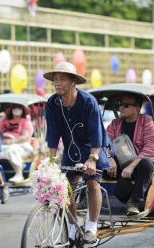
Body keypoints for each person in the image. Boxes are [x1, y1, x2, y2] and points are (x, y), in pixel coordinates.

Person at [44, 62, 110, 243]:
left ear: (73, 81)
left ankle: (91, 226)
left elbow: (97, 132)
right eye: (55, 80)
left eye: (62, 79)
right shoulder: (52, 102)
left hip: (93, 148)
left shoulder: (88, 101)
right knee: (65, 189)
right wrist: (49, 161)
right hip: (71, 150)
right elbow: (53, 133)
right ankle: (73, 226)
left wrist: (93, 158)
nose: (57, 83)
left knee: (92, 183)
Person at [107, 94, 154, 215]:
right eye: (119, 105)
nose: (121, 108)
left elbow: (150, 148)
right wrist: (109, 158)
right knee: (96, 160)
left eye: (125, 105)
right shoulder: (115, 123)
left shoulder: (147, 121)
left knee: (147, 164)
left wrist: (131, 166)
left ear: (137, 108)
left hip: (139, 166)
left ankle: (134, 202)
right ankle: (85, 197)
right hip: (118, 166)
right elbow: (105, 143)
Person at [0, 104, 34, 183]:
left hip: (21, 144)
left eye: (19, 108)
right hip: (4, 143)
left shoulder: (25, 121)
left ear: (23, 110)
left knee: (12, 149)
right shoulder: (4, 121)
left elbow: (25, 136)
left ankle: (19, 174)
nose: (17, 110)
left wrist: (12, 141)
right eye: (14, 108)